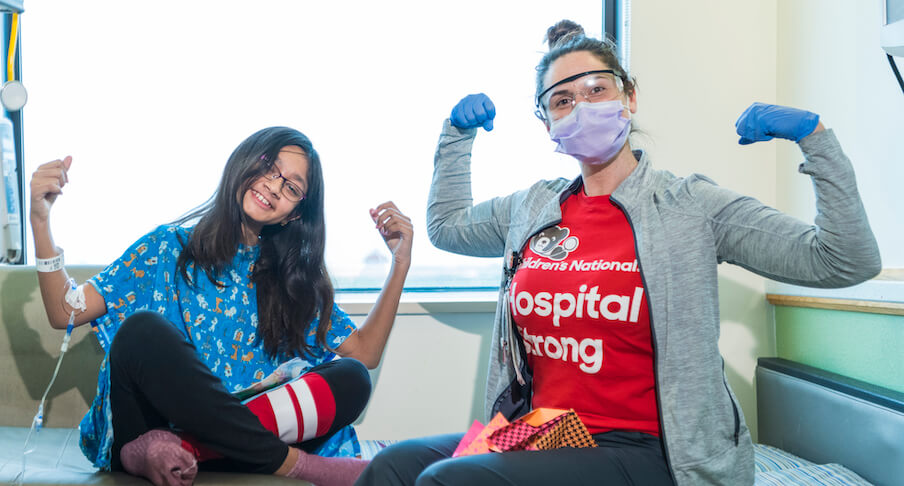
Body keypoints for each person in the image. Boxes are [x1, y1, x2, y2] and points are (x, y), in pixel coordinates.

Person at [356, 19, 880, 486]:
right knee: (394, 468)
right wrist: (456, 137)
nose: (580, 106)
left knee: (453, 481)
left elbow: (844, 259)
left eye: (596, 89)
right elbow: (447, 228)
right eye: (562, 100)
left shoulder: (689, 205)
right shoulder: (532, 207)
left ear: (629, 97)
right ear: (546, 124)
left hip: (653, 445)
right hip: (547, 430)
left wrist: (817, 141)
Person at [29, 126, 413, 486]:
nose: (274, 186)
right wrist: (39, 220)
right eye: (268, 167)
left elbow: (364, 353)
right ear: (244, 161)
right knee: (140, 332)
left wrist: (399, 265)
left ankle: (196, 448)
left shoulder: (290, 280)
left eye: (292, 187)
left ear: (295, 212)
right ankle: (299, 465)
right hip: (148, 427)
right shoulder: (167, 246)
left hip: (234, 441)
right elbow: (65, 311)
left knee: (352, 377)